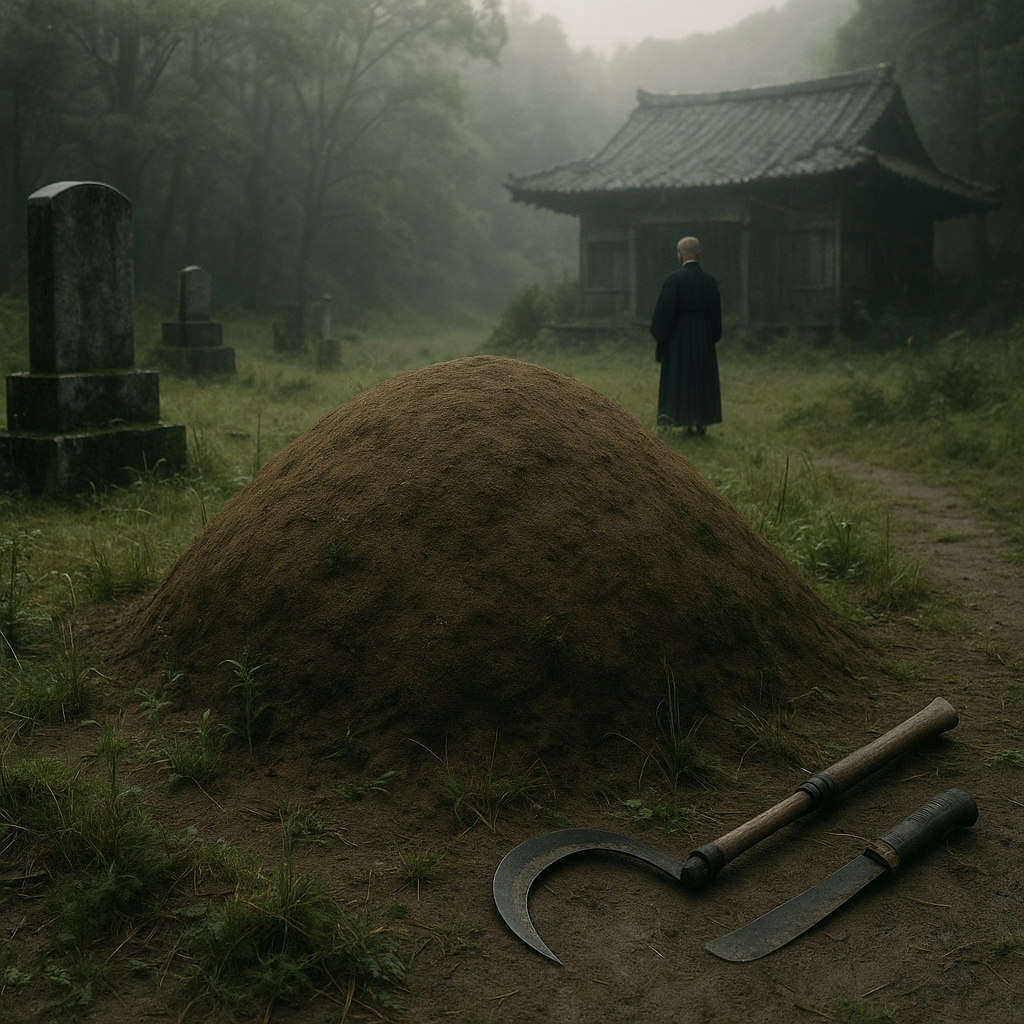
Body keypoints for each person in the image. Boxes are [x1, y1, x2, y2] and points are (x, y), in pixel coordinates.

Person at [649, 236, 722, 435]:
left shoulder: (674, 280)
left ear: (680, 256)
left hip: (679, 339)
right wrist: (712, 336)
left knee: (681, 379)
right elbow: (716, 314)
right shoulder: (710, 281)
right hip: (704, 338)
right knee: (701, 380)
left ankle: (683, 420)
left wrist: (660, 335)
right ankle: (701, 423)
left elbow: (664, 313)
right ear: (699, 255)